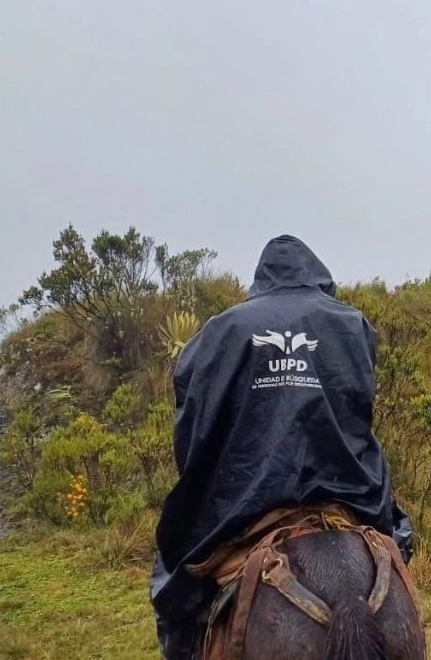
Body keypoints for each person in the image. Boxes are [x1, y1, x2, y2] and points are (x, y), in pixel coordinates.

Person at [150, 235, 413, 660]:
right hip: (348, 499)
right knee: (399, 542)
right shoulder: (351, 324)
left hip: (247, 503)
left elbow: (195, 422)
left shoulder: (223, 330)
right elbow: (356, 414)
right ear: (317, 278)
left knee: (177, 582)